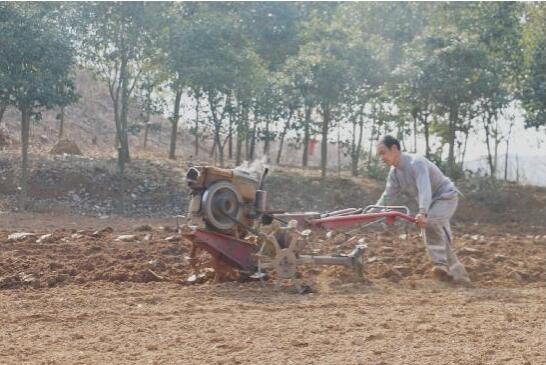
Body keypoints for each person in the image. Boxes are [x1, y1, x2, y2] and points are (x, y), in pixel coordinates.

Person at [375, 135, 470, 284]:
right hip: (430, 203)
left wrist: (423, 212)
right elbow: (388, 195)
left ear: (394, 149)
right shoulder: (395, 173)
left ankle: (440, 265)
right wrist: (374, 210)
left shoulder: (415, 163)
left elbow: (424, 189)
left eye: (382, 153)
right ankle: (459, 275)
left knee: (429, 223)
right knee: (439, 235)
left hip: (445, 196)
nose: (381, 158)